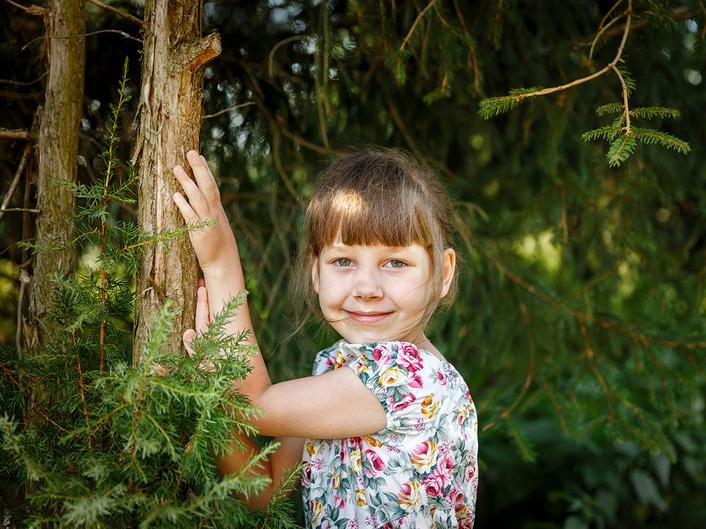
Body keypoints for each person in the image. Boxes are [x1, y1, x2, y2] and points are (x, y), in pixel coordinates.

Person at [172, 148, 478, 528]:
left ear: (443, 273)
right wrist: (210, 396)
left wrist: (220, 259)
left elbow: (252, 402)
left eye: (395, 263)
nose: (366, 288)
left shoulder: (407, 378)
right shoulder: (337, 368)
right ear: (316, 271)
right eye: (343, 261)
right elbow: (265, 491)